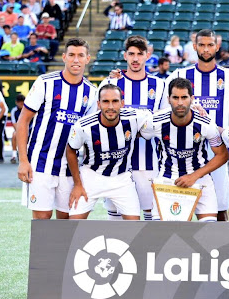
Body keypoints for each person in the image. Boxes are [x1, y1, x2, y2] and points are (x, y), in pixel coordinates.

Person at [163, 29, 229, 221]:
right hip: (184, 153)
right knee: (176, 211)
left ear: (217, 46)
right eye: (201, 45)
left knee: (219, 208)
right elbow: (164, 106)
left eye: (210, 44)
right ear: (194, 47)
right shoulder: (179, 74)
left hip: (216, 153)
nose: (206, 48)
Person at [16, 38, 98, 220]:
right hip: (40, 164)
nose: (76, 60)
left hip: (70, 168)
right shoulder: (45, 82)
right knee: (42, 219)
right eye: (71, 55)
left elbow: (89, 135)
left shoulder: (92, 92)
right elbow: (23, 122)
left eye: (80, 56)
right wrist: (23, 160)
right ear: (64, 57)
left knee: (66, 220)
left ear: (87, 59)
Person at [100, 36, 168, 221]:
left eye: (140, 54)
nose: (135, 58)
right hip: (116, 163)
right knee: (115, 215)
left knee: (150, 214)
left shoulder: (160, 85)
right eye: (131, 54)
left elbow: (164, 122)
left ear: (148, 55)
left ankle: (147, 251)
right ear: (125, 56)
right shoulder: (111, 84)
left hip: (148, 161)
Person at [142, 78, 228, 222]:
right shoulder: (155, 121)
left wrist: (194, 176)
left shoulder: (205, 123)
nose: (180, 102)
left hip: (200, 179)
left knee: (208, 230)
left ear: (192, 99)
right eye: (175, 98)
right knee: (159, 233)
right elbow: (137, 131)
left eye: (184, 97)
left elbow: (222, 155)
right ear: (169, 99)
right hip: (167, 179)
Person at [66, 84, 149, 221]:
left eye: (115, 101)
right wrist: (78, 184)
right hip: (91, 175)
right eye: (106, 101)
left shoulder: (135, 118)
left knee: (134, 225)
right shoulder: (84, 126)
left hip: (121, 177)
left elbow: (159, 119)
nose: (110, 106)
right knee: (74, 223)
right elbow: (70, 150)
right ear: (98, 104)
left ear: (122, 103)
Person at [10, 94, 25, 164]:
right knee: (14, 135)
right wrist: (20, 131)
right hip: (19, 129)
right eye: (20, 103)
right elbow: (14, 123)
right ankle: (14, 155)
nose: (21, 105)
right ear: (16, 103)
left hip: (30, 129)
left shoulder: (29, 110)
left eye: (23, 103)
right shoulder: (14, 111)